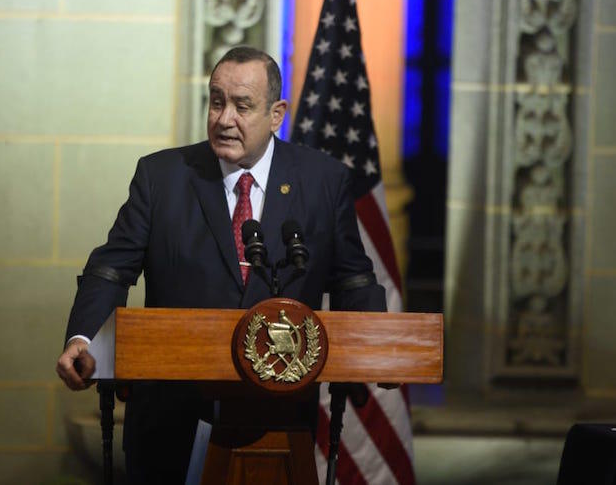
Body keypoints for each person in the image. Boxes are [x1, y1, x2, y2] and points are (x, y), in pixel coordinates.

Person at [56, 46, 387, 482]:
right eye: (216, 101)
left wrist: (382, 350)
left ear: (276, 113)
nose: (224, 117)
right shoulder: (163, 176)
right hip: (170, 419)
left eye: (242, 105)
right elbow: (111, 268)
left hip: (277, 420)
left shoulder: (323, 181)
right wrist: (84, 338)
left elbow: (353, 279)